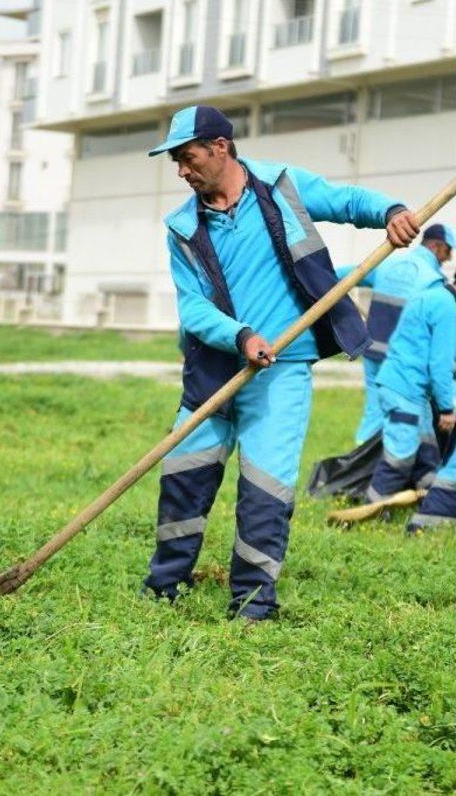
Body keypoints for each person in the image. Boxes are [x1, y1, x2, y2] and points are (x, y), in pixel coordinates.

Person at [142, 105, 418, 623]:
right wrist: (239, 335)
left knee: (264, 491)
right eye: (176, 161)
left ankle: (251, 605)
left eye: (188, 156)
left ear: (219, 147)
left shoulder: (282, 187)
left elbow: (347, 201)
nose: (181, 170)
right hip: (213, 370)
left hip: (283, 371)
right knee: (182, 477)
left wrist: (391, 212)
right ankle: (164, 586)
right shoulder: (182, 227)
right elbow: (194, 305)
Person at [337, 223, 453, 444]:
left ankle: (358, 470)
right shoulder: (433, 282)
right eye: (448, 252)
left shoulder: (387, 264)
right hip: (404, 361)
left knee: (374, 414)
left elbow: (338, 276)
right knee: (412, 421)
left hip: (373, 353)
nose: (448, 259)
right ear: (437, 247)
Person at [366, 279, 456, 505]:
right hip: (406, 390)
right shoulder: (449, 309)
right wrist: (446, 408)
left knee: (427, 454)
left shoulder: (430, 294)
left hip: (404, 387)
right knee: (400, 459)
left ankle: (429, 506)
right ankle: (371, 509)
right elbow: (440, 364)